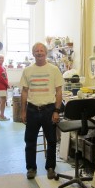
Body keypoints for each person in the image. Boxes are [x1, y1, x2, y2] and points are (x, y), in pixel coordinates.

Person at [19, 42, 64, 180]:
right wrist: (23, 111)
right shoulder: (27, 71)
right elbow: (24, 92)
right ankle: (31, 168)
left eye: (41, 50)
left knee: (51, 140)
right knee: (30, 141)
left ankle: (50, 168)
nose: (39, 53)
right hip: (32, 109)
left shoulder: (54, 69)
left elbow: (59, 92)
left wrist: (56, 111)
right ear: (33, 53)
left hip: (49, 110)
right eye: (36, 51)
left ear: (45, 53)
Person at [0, 54, 10, 121]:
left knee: (0, 100)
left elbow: (4, 77)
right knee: (3, 100)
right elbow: (0, 78)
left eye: (2, 58)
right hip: (0, 86)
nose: (1, 59)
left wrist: (6, 84)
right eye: (0, 58)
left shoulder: (2, 67)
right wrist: (7, 84)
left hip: (2, 85)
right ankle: (2, 116)